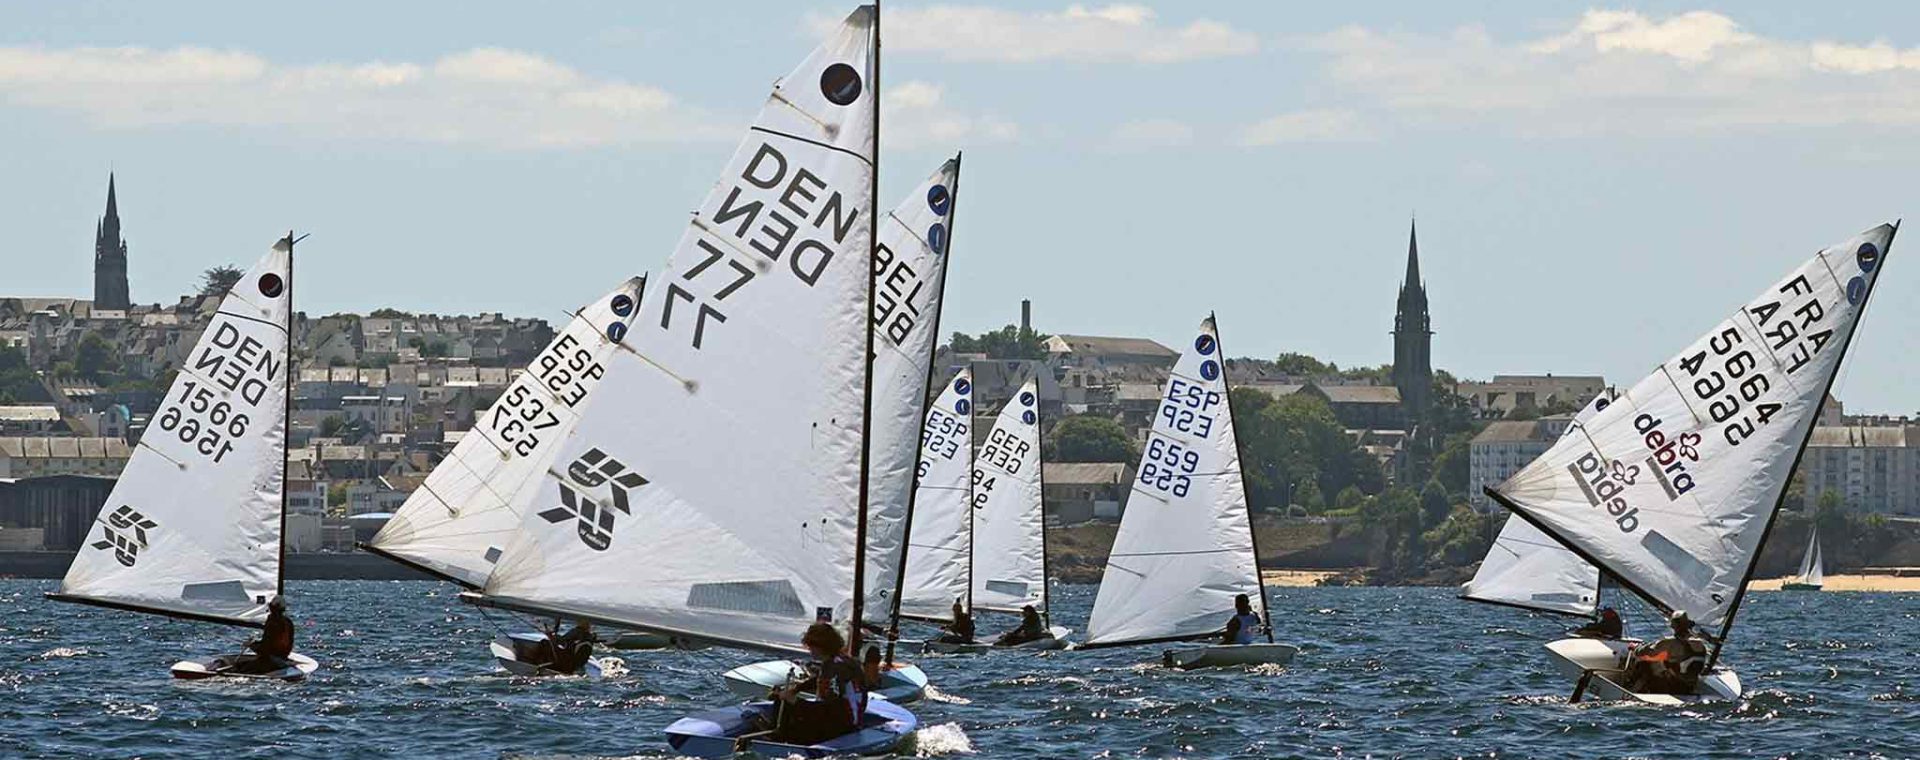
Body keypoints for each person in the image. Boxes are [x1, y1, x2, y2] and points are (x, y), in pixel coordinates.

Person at [768, 622, 866, 745]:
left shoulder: (837, 669)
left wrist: (795, 701)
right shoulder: (837, 661)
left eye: (811, 646)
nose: (809, 649)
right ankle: (778, 734)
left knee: (788, 705)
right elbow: (818, 680)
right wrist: (795, 689)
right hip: (838, 716)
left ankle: (781, 739)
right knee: (782, 700)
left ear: (821, 646)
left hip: (843, 724)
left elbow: (829, 709)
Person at [1624, 610, 1708, 694]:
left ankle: (1629, 691)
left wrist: (1635, 647)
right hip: (1690, 687)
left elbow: (1644, 652)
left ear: (1673, 625)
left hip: (1673, 687)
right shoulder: (1700, 643)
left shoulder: (1670, 642)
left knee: (1644, 664)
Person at [236, 595, 295, 674]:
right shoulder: (288, 622)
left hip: (271, 660)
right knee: (243, 665)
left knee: (239, 669)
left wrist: (251, 645)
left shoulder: (272, 623)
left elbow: (265, 648)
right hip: (283, 658)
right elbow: (287, 644)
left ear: (271, 607)